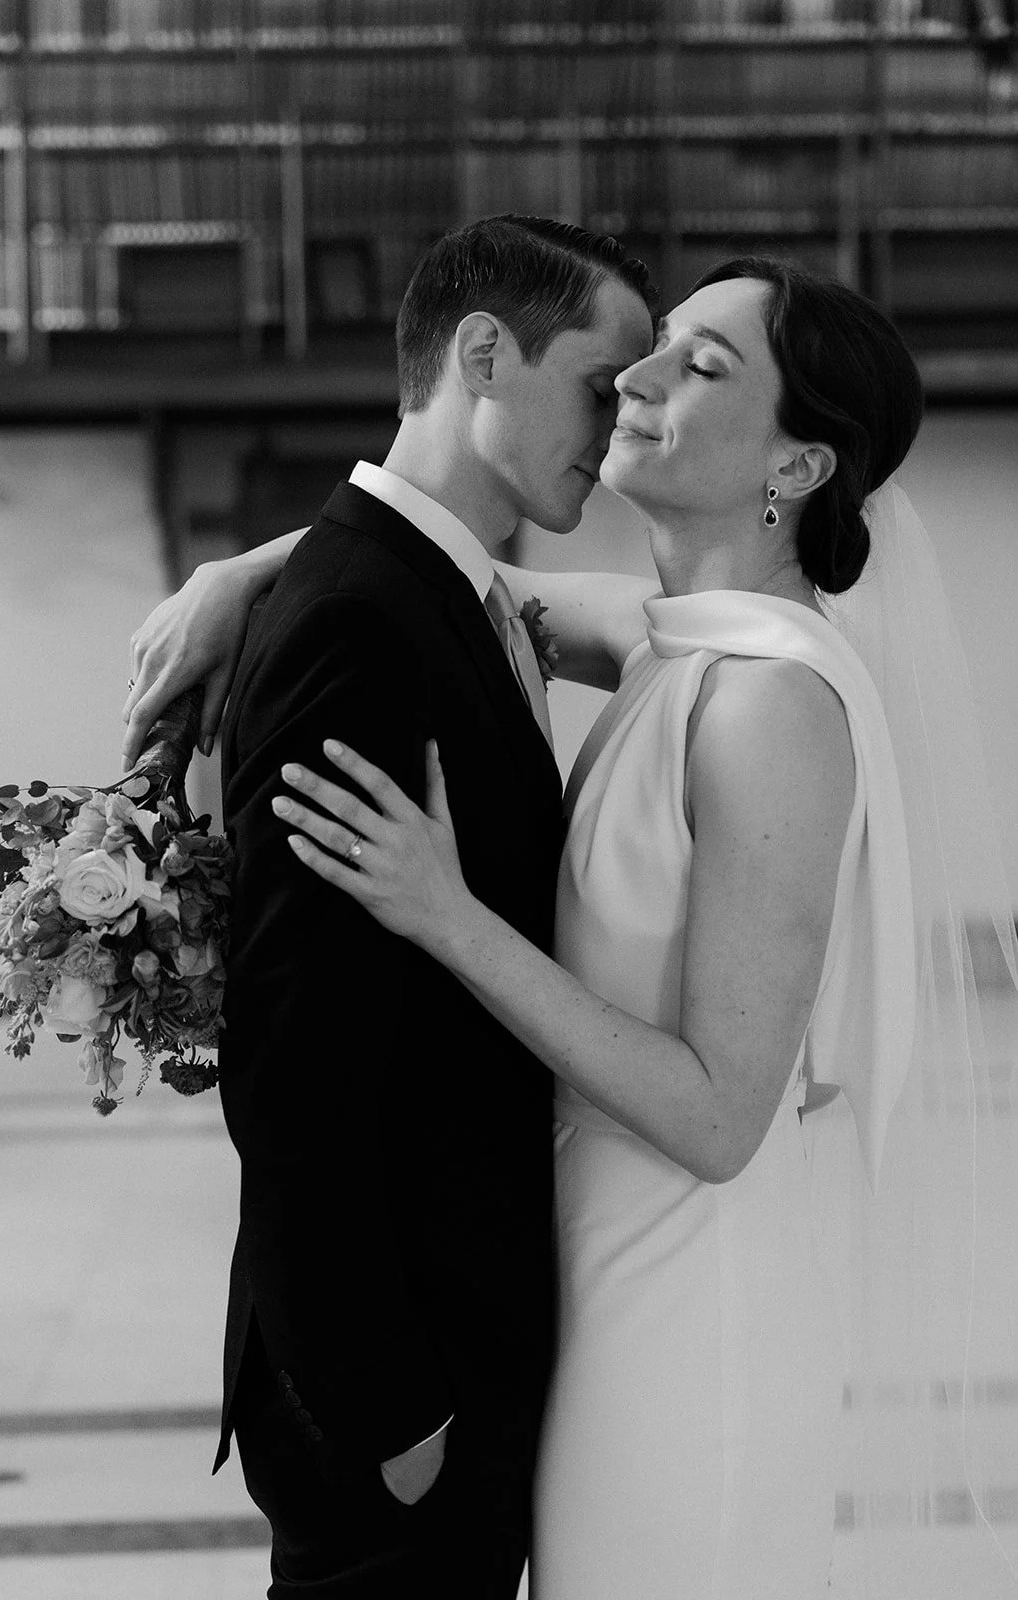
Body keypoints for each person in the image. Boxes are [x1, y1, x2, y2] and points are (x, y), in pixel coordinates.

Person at [126, 260, 1018, 1597]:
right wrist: (232, 574)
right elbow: (432, 564)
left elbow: (721, 1118)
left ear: (796, 467)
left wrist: (447, 916)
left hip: (687, 1299)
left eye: (697, 368)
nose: (634, 383)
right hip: (586, 1276)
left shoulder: (772, 704)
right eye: (648, 350)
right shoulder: (679, 643)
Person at [126, 214, 656, 1600]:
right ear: (484, 353)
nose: (616, 427)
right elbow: (293, 1054)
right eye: (599, 385)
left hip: (451, 1330)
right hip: (396, 1364)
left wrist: (247, 565)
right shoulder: (364, 613)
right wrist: (391, 1404)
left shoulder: (428, 584)